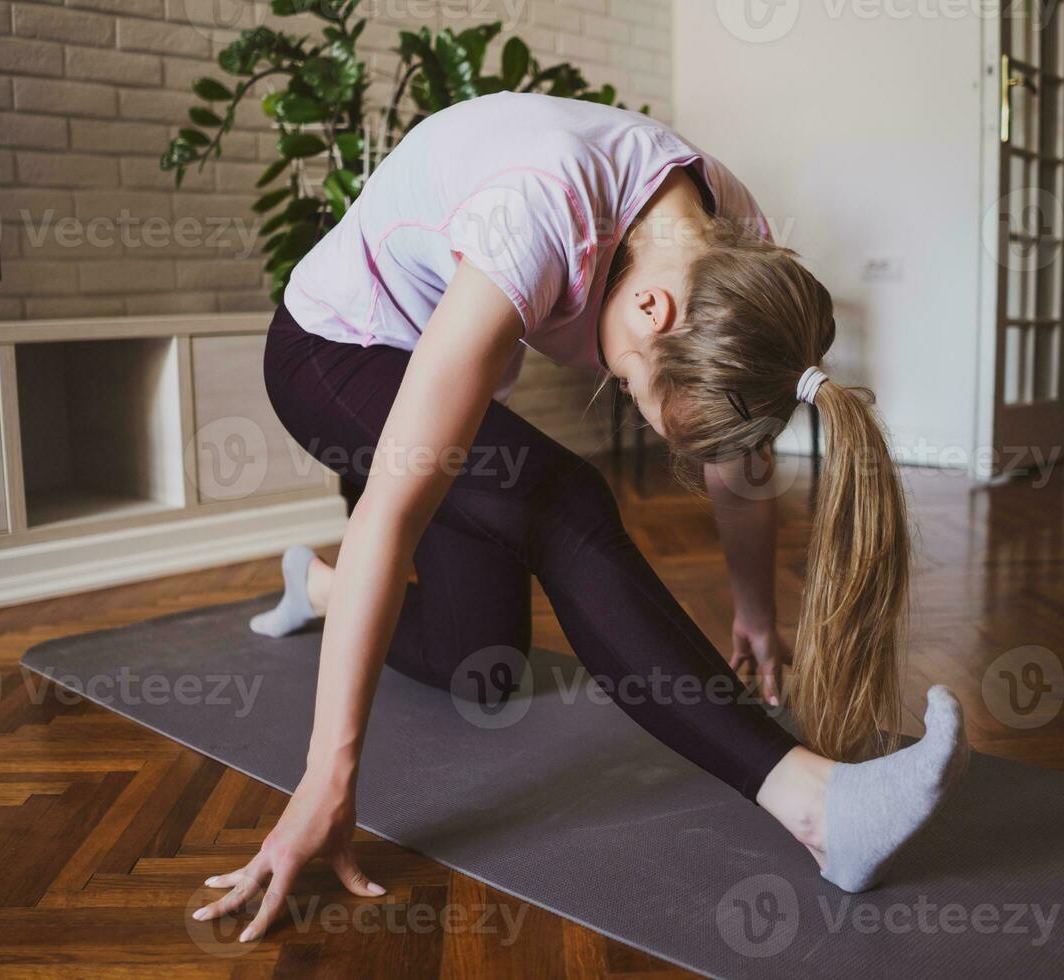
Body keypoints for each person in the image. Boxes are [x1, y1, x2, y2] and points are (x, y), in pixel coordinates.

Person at [194, 92, 968, 942]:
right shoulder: (535, 216)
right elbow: (390, 512)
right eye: (638, 392)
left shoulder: (728, 247)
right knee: (563, 500)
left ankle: (318, 586)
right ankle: (815, 802)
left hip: (437, 379)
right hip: (332, 352)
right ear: (651, 311)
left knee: (478, 666)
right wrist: (325, 782)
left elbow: (731, 441)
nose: (629, 397)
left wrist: (754, 611)